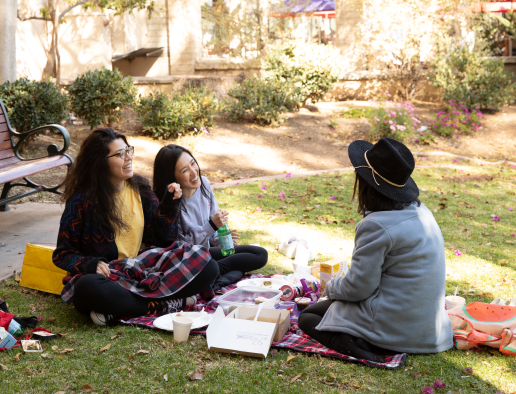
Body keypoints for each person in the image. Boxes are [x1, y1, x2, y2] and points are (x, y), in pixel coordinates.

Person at [298, 138, 453, 361]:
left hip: (394, 326)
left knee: (308, 318)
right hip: (432, 330)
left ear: (366, 184)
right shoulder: (423, 212)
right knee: (325, 310)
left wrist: (330, 287)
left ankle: (357, 346)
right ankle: (361, 337)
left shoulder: (376, 225)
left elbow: (359, 288)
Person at [52, 129, 219, 325]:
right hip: (110, 277)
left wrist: (169, 204)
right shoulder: (81, 201)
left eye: (128, 150)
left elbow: (162, 239)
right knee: (87, 287)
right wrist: (91, 265)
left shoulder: (139, 187)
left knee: (208, 265)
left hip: (141, 268)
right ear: (100, 161)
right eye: (120, 154)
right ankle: (168, 303)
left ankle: (125, 308)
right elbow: (62, 254)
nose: (129, 157)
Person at [153, 144, 268, 291]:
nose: (194, 172)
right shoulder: (170, 204)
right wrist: (211, 226)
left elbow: (212, 225)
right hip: (188, 261)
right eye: (184, 170)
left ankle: (212, 278)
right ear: (172, 177)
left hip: (207, 251)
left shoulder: (204, 184)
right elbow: (183, 248)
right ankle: (211, 277)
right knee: (235, 268)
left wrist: (218, 238)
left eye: (193, 163)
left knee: (260, 254)